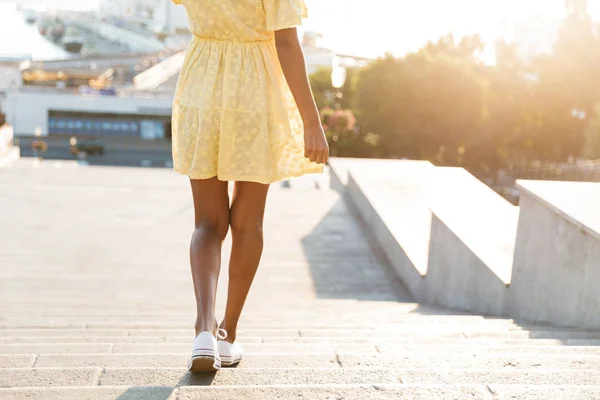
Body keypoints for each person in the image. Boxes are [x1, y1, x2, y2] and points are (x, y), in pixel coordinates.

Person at [170, 0, 328, 372]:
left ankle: (203, 329)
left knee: (207, 223)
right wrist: (311, 121)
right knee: (248, 223)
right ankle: (228, 334)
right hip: (255, 95)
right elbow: (287, 44)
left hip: (201, 88)